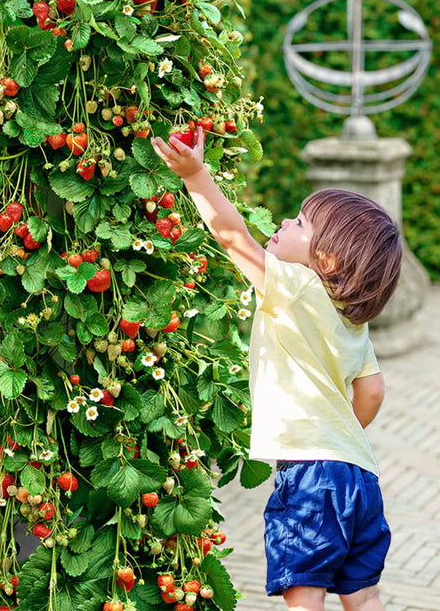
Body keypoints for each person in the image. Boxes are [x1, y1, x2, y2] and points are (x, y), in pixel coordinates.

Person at [151, 128, 402, 611]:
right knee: (362, 592)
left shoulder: (297, 287)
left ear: (325, 259)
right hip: (360, 476)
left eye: (301, 223)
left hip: (310, 475)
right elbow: (372, 392)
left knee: (303, 589)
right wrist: (339, 434)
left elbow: (233, 237)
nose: (286, 221)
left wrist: (196, 175)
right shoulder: (354, 321)